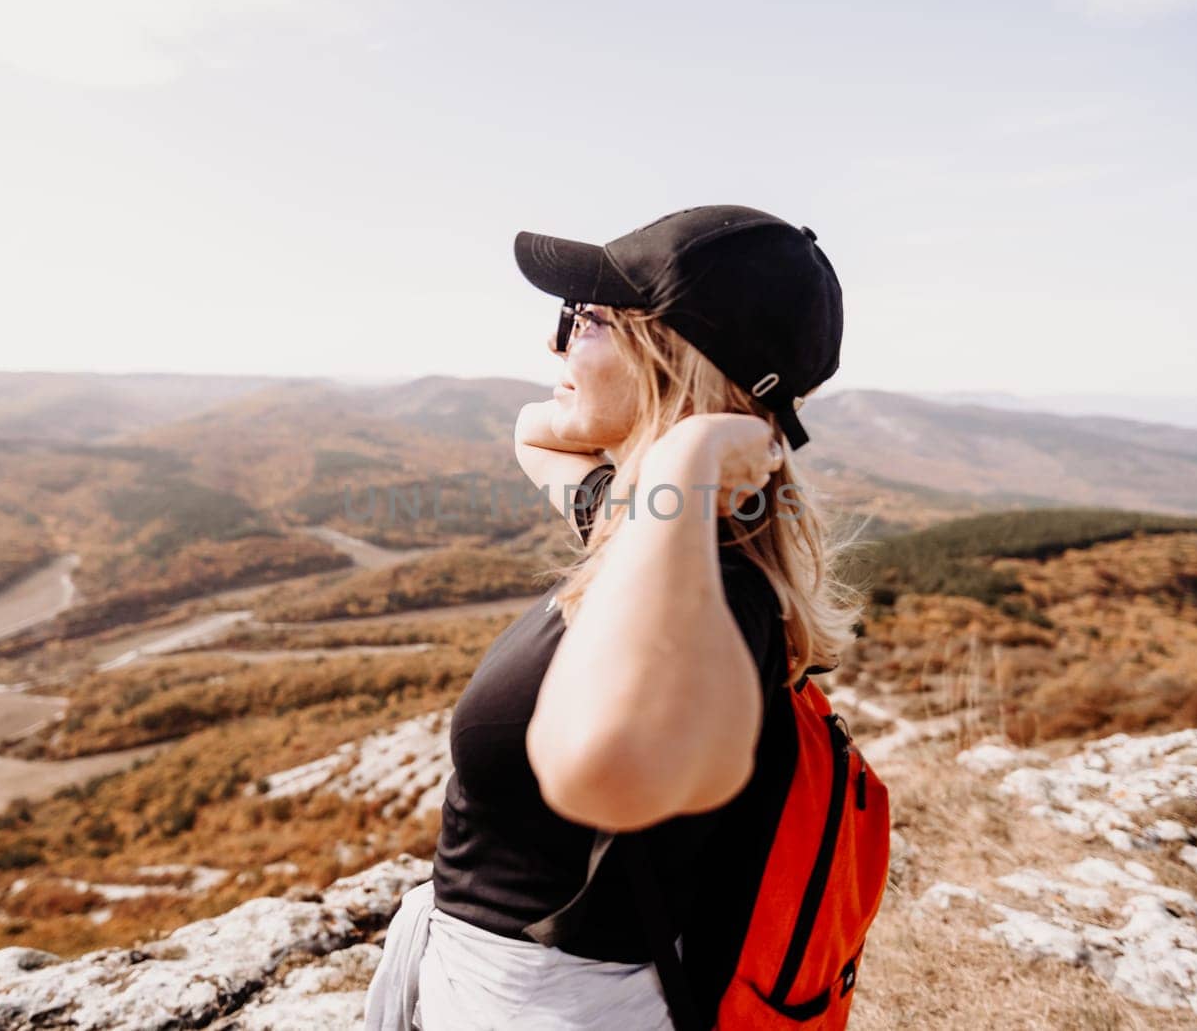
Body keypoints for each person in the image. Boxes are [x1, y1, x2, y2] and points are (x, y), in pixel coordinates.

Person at [364, 204, 865, 1030]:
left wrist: (688, 455)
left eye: (586, 319)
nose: (553, 344)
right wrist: (672, 471)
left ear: (674, 357)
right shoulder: (656, 534)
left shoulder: (716, 593)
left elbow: (604, 768)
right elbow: (537, 436)